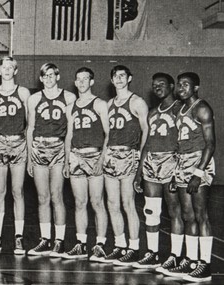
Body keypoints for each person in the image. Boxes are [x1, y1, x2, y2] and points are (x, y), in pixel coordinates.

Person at [165, 72, 215, 282]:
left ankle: (205, 265)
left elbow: (210, 144)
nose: (181, 87)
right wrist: (178, 171)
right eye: (179, 84)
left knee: (201, 214)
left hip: (198, 163)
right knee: (187, 216)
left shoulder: (202, 108)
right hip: (182, 162)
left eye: (186, 84)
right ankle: (191, 259)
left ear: (196, 87)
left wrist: (198, 173)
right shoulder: (180, 109)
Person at [133, 73, 183, 270]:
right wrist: (139, 172)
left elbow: (184, 141)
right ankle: (152, 253)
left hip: (171, 161)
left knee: (174, 211)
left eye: (162, 84)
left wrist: (178, 168)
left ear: (172, 86)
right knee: (151, 211)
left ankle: (175, 256)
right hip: (151, 162)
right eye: (154, 85)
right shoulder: (153, 112)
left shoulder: (180, 109)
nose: (158, 87)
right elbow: (147, 144)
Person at [25, 63, 75, 257]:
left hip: (58, 147)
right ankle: (45, 239)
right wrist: (29, 157)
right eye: (45, 76)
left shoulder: (69, 98)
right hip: (38, 147)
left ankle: (59, 241)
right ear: (40, 78)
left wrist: (67, 156)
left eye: (52, 75)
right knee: (42, 197)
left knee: (57, 195)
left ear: (58, 76)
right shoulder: (34, 98)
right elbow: (30, 128)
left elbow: (71, 129)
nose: (48, 79)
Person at [101, 65, 149, 265]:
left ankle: (134, 247)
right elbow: (106, 133)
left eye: (122, 75)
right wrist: (103, 155)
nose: (119, 79)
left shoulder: (137, 102)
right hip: (111, 155)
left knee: (128, 203)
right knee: (112, 203)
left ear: (129, 78)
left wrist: (139, 155)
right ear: (111, 80)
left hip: (129, 154)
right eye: (115, 76)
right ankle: (120, 245)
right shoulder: (109, 103)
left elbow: (146, 129)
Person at [62, 67, 110, 261]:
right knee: (79, 202)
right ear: (75, 82)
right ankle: (81, 244)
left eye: (85, 79)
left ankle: (100, 244)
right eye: (78, 79)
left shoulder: (100, 104)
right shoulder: (70, 107)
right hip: (76, 156)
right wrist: (66, 161)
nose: (81, 82)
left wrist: (102, 158)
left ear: (92, 82)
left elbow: (108, 134)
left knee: (97, 202)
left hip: (95, 154)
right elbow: (69, 136)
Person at [0, 56, 31, 255]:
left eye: (10, 67)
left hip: (18, 142)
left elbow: (30, 122)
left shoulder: (23, 92)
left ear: (15, 71)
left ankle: (18, 237)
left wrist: (23, 143)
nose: (7, 70)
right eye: (3, 67)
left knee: (18, 191)